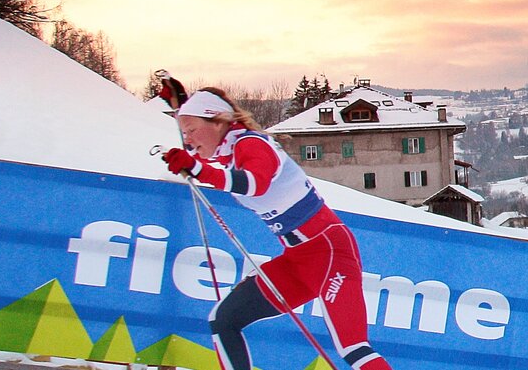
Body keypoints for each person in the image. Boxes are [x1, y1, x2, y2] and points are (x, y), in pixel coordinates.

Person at [157, 89, 391, 370]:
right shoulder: (229, 152)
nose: (188, 140)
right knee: (224, 319)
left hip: (329, 252)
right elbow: (214, 162)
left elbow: (255, 183)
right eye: (185, 133)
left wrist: (197, 169)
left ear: (218, 121)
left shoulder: (252, 144)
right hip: (297, 259)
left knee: (353, 348)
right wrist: (182, 102)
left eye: (192, 130)